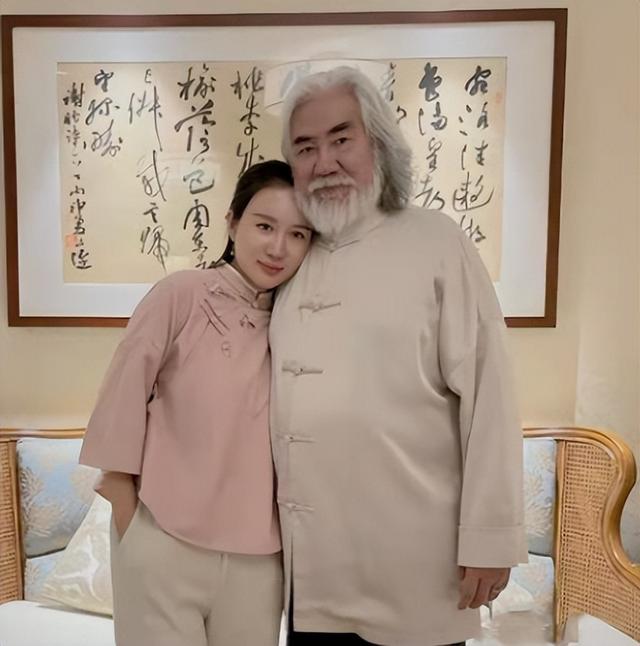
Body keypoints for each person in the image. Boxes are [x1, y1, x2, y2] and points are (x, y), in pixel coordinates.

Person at [269, 67, 527, 646]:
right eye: (305, 148)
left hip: (418, 566)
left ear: (379, 143)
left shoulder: (437, 241)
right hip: (312, 578)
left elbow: (490, 394)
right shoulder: (288, 258)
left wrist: (490, 538)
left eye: (342, 139)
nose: (324, 162)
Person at [79, 160, 313, 646]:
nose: (278, 247)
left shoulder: (300, 322)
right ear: (232, 221)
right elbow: (121, 396)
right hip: (162, 541)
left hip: (259, 562)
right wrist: (130, 518)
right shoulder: (179, 295)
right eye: (264, 226)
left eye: (298, 234)